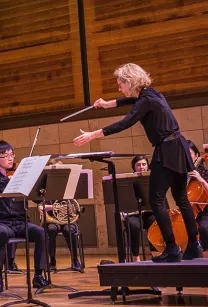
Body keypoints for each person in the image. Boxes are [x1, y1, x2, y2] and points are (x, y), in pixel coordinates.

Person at [74, 63, 201, 261]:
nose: (119, 88)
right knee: (181, 198)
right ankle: (194, 245)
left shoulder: (145, 101)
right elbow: (129, 100)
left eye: (120, 84)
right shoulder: (152, 94)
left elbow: (126, 122)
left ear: (130, 81)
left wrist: (94, 134)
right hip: (179, 146)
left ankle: (172, 248)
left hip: (167, 150)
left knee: (156, 200)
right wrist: (108, 104)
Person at [0, 141, 49, 291]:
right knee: (0, 234)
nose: (10, 158)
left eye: (11, 154)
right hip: (3, 223)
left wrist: (40, 188)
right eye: (5, 155)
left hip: (21, 222)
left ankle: (39, 275)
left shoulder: (21, 176)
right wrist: (10, 181)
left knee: (41, 232)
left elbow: (36, 198)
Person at [125, 155, 155, 261]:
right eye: (138, 165)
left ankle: (155, 253)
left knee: (154, 223)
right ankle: (135, 257)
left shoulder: (153, 178)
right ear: (134, 167)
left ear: (148, 165)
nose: (141, 167)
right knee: (134, 225)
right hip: (133, 213)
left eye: (144, 164)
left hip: (149, 212)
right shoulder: (128, 180)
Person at [186, 140, 208, 250]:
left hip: (203, 212)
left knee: (204, 228)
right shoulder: (183, 174)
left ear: (197, 155)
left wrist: (201, 179)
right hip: (187, 212)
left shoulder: (204, 172)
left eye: (189, 153)